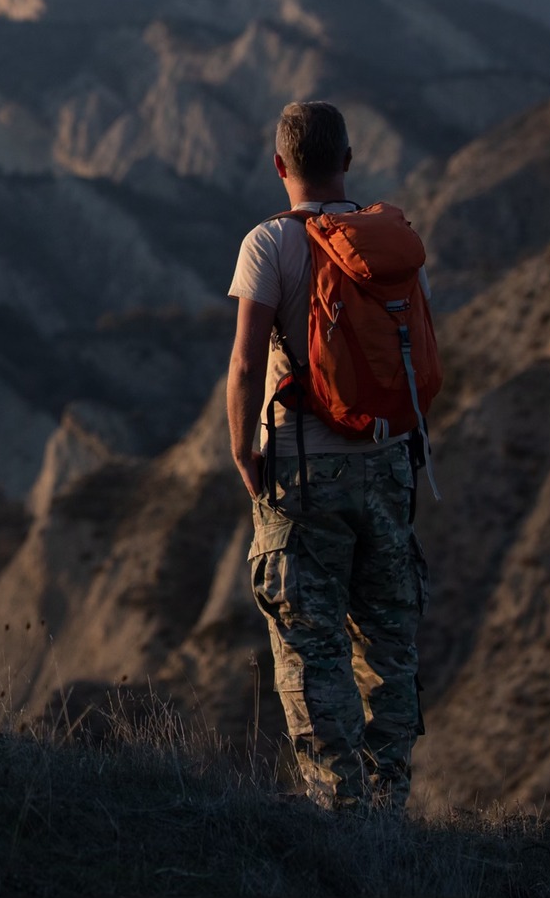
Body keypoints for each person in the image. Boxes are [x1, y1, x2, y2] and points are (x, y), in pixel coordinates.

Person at [226, 100, 428, 812]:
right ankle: (391, 802)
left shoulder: (269, 244)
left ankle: (339, 813)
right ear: (348, 160)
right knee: (388, 644)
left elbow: (248, 364)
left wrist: (243, 450)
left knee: (313, 647)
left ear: (280, 166)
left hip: (306, 475)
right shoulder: (389, 243)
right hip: (390, 463)